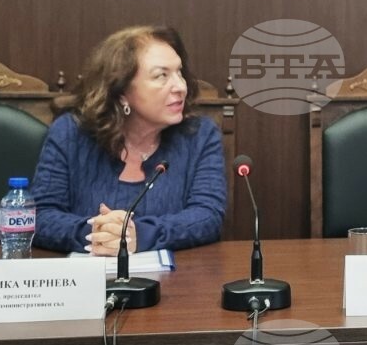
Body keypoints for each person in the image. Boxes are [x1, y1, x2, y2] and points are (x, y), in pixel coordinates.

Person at [32, 25, 225, 254]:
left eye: (179, 73)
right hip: (84, 273)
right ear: (122, 91)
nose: (180, 87)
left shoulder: (199, 135)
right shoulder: (70, 133)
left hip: (176, 274)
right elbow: (40, 215)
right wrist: (98, 234)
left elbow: (208, 216)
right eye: (161, 76)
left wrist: (141, 235)